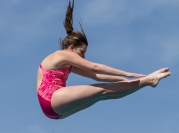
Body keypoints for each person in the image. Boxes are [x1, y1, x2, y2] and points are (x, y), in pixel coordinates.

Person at [36, 0, 171, 120]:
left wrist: (123, 81)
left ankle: (146, 82)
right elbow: (94, 67)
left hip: (55, 112)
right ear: (72, 47)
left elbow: (97, 76)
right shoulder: (62, 55)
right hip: (52, 99)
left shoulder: (66, 64)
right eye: (82, 52)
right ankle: (147, 81)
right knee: (102, 91)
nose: (83, 57)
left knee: (102, 95)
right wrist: (127, 73)